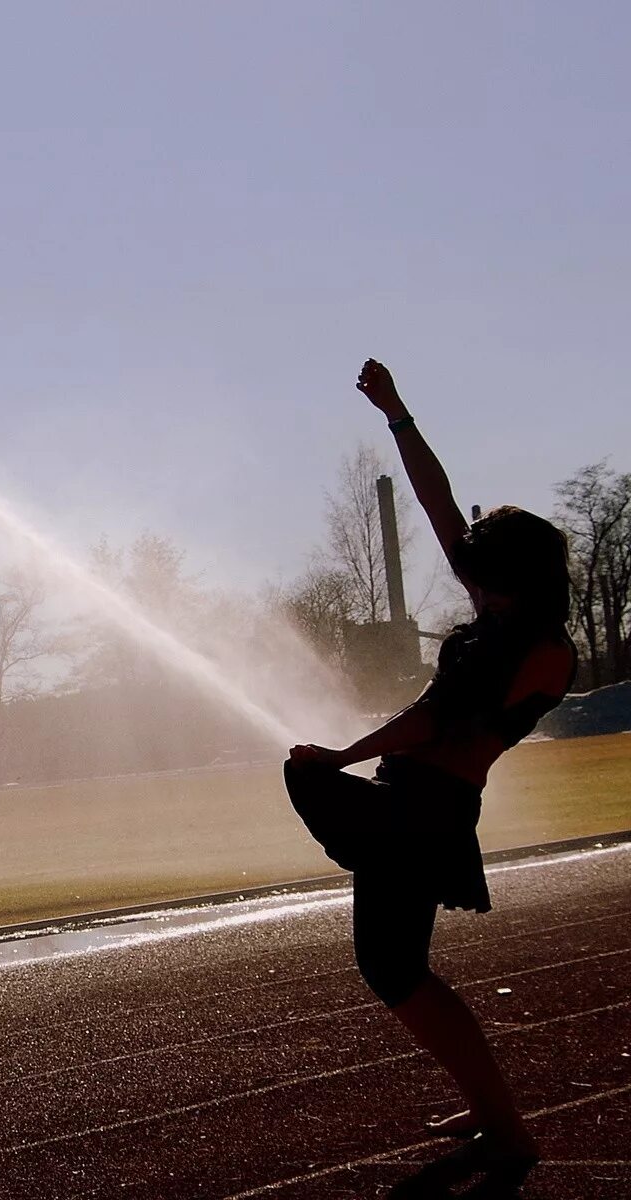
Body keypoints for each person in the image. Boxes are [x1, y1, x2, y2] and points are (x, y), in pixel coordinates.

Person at [282, 359, 576, 1187]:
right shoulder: (502, 612)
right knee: (394, 965)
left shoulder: (542, 650)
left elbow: (436, 725)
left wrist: (341, 756)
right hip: (408, 799)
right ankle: (495, 1116)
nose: (466, 578)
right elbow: (440, 505)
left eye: (480, 573)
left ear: (513, 579)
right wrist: (398, 415)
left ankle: (507, 1130)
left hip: (430, 810)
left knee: (393, 967)